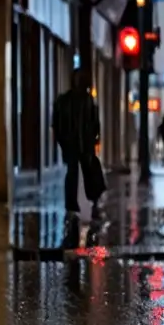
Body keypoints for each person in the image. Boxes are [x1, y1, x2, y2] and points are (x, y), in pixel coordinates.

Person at [52, 68, 101, 215]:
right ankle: (71, 203)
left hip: (84, 142)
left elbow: (94, 121)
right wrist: (62, 139)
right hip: (72, 142)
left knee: (89, 170)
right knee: (73, 172)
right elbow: (57, 122)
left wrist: (94, 137)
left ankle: (94, 199)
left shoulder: (87, 100)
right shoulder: (65, 100)